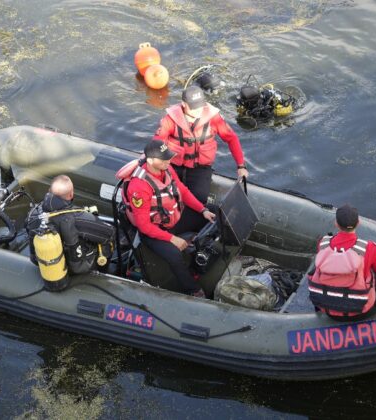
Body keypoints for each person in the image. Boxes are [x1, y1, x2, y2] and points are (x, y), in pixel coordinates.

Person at [118, 140, 216, 297]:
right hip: (155, 230)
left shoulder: (167, 168)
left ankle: (207, 253)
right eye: (164, 159)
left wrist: (202, 209)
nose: (169, 161)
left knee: (213, 212)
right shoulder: (139, 187)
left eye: (168, 157)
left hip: (173, 217)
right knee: (174, 255)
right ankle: (193, 289)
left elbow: (182, 190)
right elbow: (144, 226)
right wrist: (172, 239)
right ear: (150, 161)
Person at [153, 85, 249, 204]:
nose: (198, 111)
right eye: (193, 107)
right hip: (173, 166)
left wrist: (241, 166)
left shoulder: (214, 118)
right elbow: (158, 142)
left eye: (200, 106)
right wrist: (158, 163)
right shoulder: (171, 118)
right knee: (166, 199)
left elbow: (232, 138)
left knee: (198, 201)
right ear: (183, 104)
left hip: (200, 169)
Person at [26, 175, 113, 289]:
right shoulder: (79, 218)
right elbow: (109, 233)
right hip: (76, 268)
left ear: (49, 191)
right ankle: (103, 273)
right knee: (107, 243)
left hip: (45, 263)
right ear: (71, 194)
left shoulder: (33, 214)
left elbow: (27, 228)